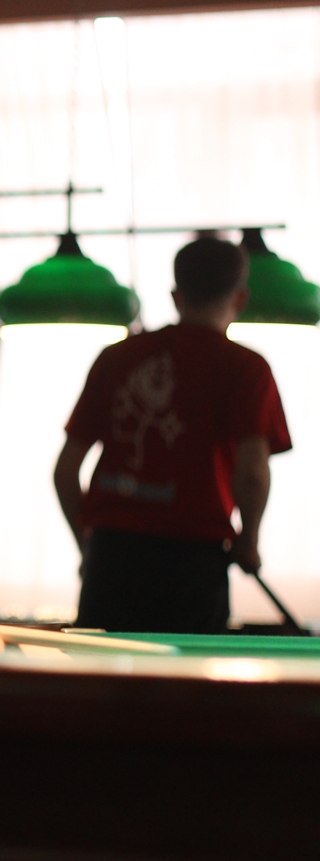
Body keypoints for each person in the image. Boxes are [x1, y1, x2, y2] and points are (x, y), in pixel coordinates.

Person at [55, 237, 292, 634]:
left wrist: (88, 545)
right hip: (193, 564)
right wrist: (249, 540)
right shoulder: (246, 368)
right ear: (240, 298)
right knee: (187, 674)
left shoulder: (117, 357)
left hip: (112, 559)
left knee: (102, 673)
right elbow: (252, 473)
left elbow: (65, 471)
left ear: (176, 296)